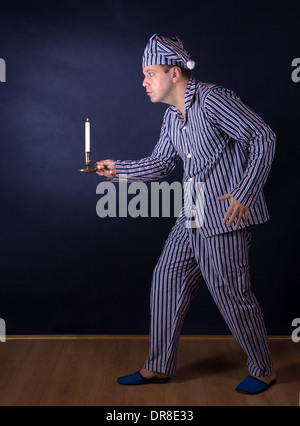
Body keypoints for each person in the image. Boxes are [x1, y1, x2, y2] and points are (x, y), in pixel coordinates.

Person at [95, 34, 277, 394]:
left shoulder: (212, 100)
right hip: (191, 212)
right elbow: (162, 163)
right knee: (166, 280)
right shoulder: (172, 118)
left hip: (225, 215)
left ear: (174, 73)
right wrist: (118, 169)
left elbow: (263, 137)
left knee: (231, 294)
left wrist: (244, 193)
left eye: (150, 73)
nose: (144, 81)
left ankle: (264, 370)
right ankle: (159, 367)